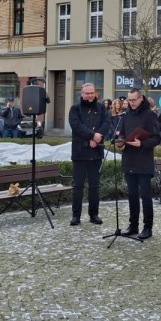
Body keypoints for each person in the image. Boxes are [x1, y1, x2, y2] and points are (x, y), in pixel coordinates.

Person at [114, 88, 160, 240]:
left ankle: (147, 228)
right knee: (132, 196)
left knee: (145, 196)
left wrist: (142, 143)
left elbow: (156, 138)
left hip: (144, 161)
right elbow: (121, 132)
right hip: (129, 160)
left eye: (134, 100)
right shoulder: (126, 115)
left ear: (141, 99)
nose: (131, 103)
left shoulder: (149, 115)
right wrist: (120, 140)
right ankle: (133, 225)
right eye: (129, 100)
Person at [67, 83, 111, 226]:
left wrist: (98, 137)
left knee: (94, 186)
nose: (90, 95)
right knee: (78, 186)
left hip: (96, 152)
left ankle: (94, 214)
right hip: (80, 153)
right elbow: (76, 126)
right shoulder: (75, 108)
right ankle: (76, 215)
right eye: (87, 93)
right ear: (82, 94)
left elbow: (107, 123)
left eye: (92, 93)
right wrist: (92, 136)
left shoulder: (101, 107)